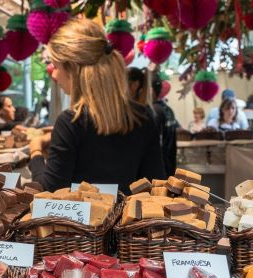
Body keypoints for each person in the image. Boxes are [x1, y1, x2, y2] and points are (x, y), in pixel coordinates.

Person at [29, 18, 165, 194]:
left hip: (78, 221)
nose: (54, 75)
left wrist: (36, 150)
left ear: (73, 69)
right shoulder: (144, 116)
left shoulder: (71, 122)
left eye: (56, 66)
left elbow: (49, 192)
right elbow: (156, 182)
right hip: (129, 220)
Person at [151, 74, 180, 177]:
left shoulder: (153, 112)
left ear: (150, 90)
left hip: (158, 169)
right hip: (169, 165)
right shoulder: (168, 110)